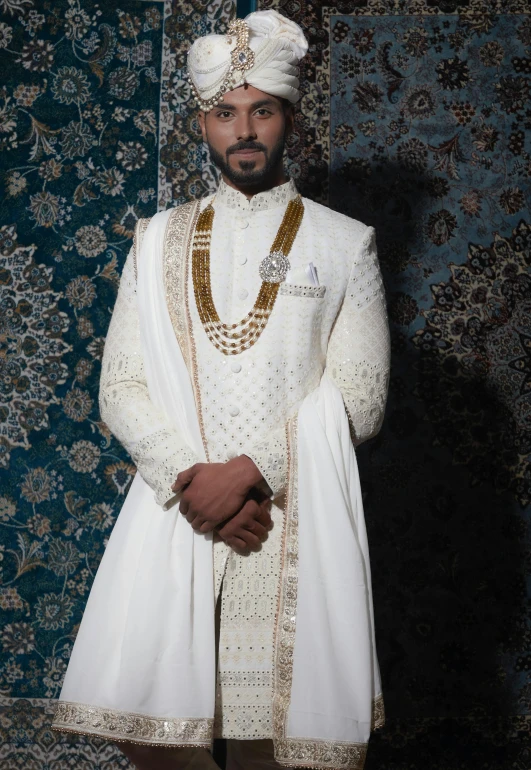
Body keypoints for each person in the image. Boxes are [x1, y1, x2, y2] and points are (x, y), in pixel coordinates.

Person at [52, 10, 391, 770]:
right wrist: (193, 483)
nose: (244, 130)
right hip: (176, 517)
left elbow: (360, 396)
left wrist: (244, 480)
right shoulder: (157, 236)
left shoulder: (343, 242)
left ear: (288, 119)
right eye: (225, 112)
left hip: (288, 523)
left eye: (262, 111)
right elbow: (122, 385)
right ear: (202, 124)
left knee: (273, 748)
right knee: (158, 747)